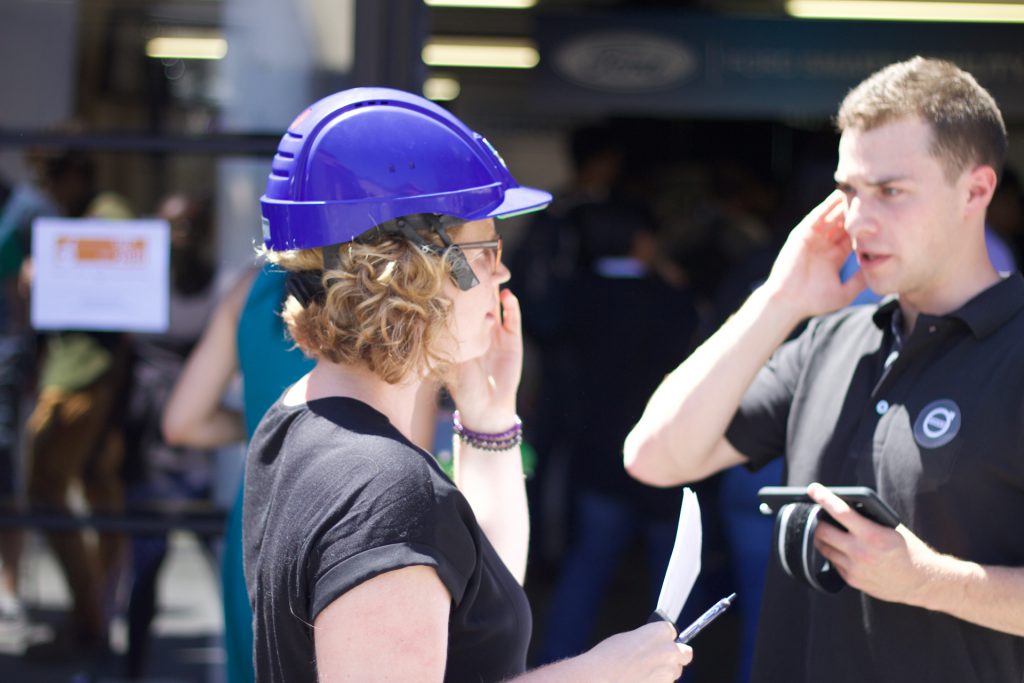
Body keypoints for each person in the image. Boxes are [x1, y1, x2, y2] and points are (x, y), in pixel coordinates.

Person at [244, 87, 693, 682]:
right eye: (485, 250)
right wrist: (600, 674)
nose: (502, 272)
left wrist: (487, 412)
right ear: (417, 270)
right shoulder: (387, 489)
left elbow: (482, 594)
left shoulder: (297, 419)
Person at [625, 56, 1024, 683]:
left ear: (976, 191)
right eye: (847, 192)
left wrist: (926, 581)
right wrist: (778, 301)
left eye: (891, 191)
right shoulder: (831, 340)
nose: (861, 220)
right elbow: (654, 456)